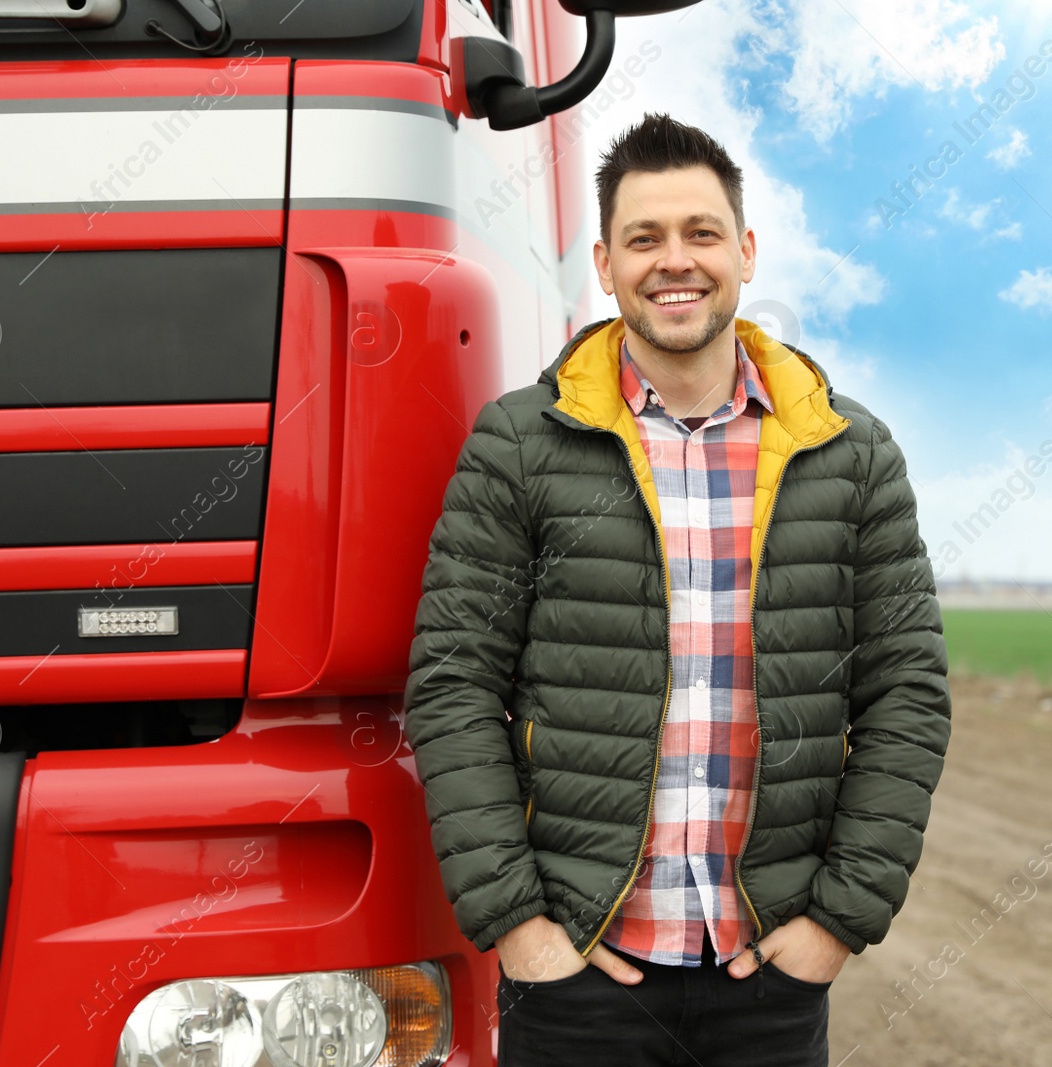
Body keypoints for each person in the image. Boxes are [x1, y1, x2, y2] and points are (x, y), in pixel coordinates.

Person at [405, 112, 951, 1066]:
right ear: (605, 264)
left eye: (701, 233)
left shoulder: (851, 453)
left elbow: (906, 694)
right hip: (578, 973)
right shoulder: (520, 444)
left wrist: (835, 925)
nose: (675, 261)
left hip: (769, 976)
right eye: (645, 238)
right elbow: (453, 686)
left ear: (744, 251)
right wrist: (520, 928)